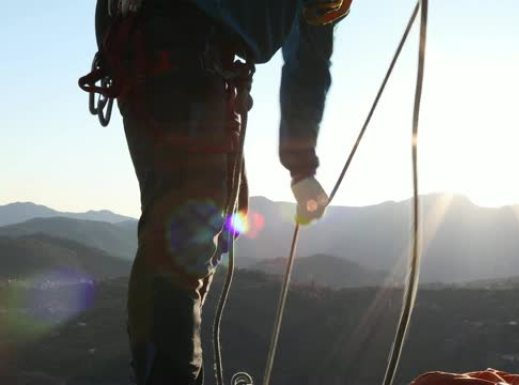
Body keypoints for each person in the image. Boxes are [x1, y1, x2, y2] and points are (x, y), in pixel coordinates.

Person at [87, 0, 350, 383]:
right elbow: (307, 57)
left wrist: (301, 168)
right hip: (177, 46)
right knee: (187, 236)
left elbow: (308, 55)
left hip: (185, 58)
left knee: (222, 221)